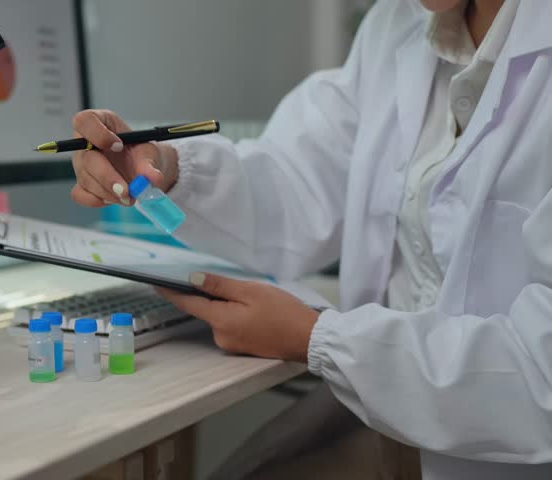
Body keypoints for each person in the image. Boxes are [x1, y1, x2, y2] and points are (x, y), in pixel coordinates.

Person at [68, 0, 552, 478]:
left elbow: (540, 375)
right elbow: (299, 184)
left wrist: (316, 338)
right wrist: (164, 169)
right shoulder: (399, 21)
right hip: (385, 412)